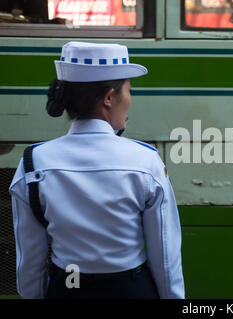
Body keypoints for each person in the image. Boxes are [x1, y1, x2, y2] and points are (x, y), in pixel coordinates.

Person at [9, 41, 184, 299]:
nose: (130, 100)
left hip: (68, 287)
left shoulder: (33, 163)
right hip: (130, 290)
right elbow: (165, 257)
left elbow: (29, 261)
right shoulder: (145, 163)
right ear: (109, 98)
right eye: (128, 91)